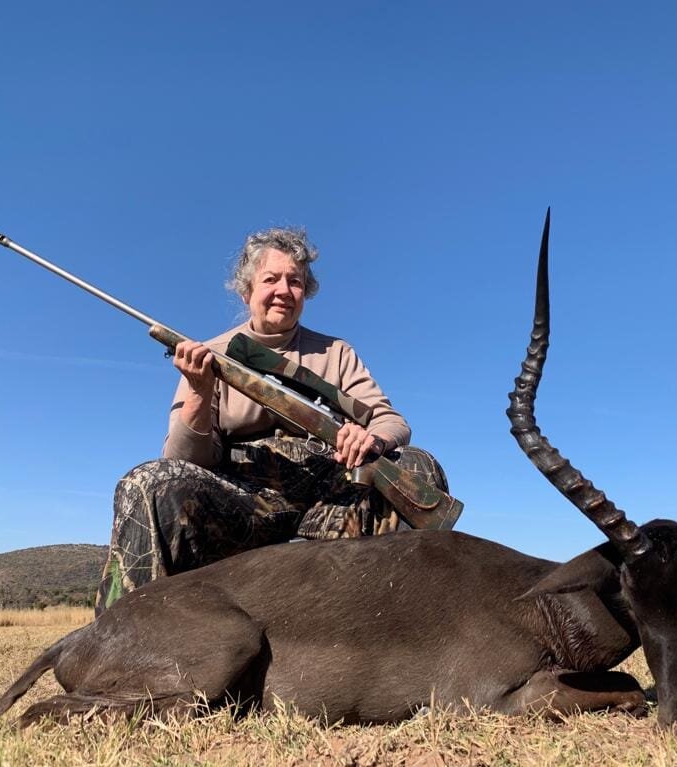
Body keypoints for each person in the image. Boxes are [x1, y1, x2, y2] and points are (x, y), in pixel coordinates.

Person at [95, 227, 450, 614]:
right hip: (246, 504)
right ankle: (127, 647)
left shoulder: (337, 353)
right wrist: (198, 391)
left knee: (416, 467)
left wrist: (371, 440)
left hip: (330, 499)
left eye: (294, 281)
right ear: (246, 291)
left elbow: (389, 420)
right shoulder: (208, 355)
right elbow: (183, 459)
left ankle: (410, 638)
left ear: (305, 292)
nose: (284, 290)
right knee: (148, 484)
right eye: (271, 279)